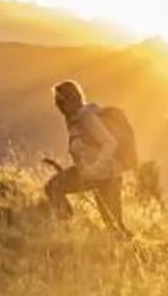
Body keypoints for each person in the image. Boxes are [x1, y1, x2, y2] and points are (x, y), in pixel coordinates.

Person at [43, 80, 134, 234]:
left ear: (71, 99)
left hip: (109, 176)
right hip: (90, 174)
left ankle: (136, 252)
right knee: (53, 187)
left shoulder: (87, 118)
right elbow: (82, 149)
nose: (57, 105)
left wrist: (94, 167)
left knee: (113, 224)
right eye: (56, 101)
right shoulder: (71, 120)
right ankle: (66, 227)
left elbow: (110, 142)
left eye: (60, 100)